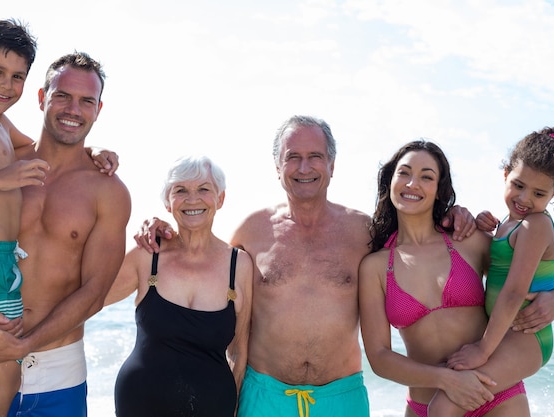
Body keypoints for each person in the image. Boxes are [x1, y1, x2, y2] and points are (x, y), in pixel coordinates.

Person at [137, 115, 482, 417]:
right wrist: (163, 229)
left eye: (315, 157)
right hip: (264, 397)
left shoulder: (366, 232)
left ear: (332, 165)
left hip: (341, 398)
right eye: (293, 158)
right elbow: (203, 259)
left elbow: (417, 233)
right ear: (277, 167)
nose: (304, 168)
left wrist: (453, 214)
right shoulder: (251, 230)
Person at [0, 51, 131, 417]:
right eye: (62, 96)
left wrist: (23, 345)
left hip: (58, 377)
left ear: (98, 109)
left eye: (86, 100)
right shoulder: (0, 165)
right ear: (42, 98)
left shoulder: (108, 192)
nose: (73, 109)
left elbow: (95, 293)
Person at [359, 140, 533, 417]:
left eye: (426, 176)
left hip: (495, 395)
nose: (413, 183)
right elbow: (380, 357)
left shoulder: (469, 240)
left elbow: (524, 282)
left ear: (439, 190)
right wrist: (445, 379)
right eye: (404, 173)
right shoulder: (375, 267)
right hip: (426, 406)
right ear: (390, 180)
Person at [105, 155, 252, 417]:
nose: (192, 199)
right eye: (180, 190)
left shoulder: (238, 265)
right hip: (139, 404)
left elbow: (239, 353)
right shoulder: (147, 255)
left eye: (204, 189)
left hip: (212, 407)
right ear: (168, 202)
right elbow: (88, 299)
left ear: (220, 199)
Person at [431, 129, 554, 416]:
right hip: (506, 335)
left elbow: (514, 292)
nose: (525, 199)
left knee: (445, 403)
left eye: (539, 193)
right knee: (446, 396)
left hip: (527, 339)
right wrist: (481, 228)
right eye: (518, 185)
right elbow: (496, 270)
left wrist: (483, 350)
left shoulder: (535, 225)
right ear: (505, 174)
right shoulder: (509, 223)